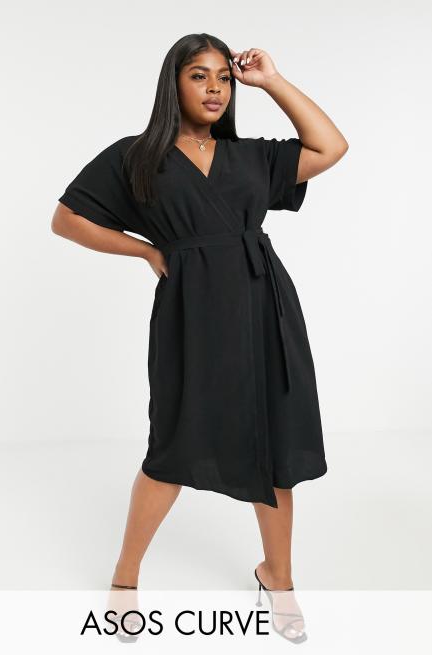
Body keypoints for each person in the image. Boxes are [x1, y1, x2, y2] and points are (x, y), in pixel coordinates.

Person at [52, 33, 348, 643]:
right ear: (174, 83)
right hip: (192, 313)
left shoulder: (250, 157)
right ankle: (126, 577)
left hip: (264, 306)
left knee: (275, 443)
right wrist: (145, 251)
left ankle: (279, 577)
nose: (215, 88)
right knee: (174, 442)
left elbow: (331, 145)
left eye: (224, 78)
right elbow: (67, 219)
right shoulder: (137, 156)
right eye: (198, 75)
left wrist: (271, 80)